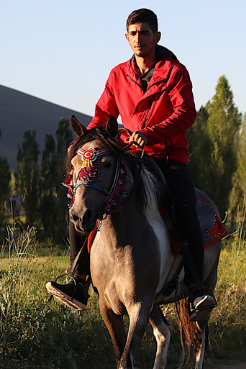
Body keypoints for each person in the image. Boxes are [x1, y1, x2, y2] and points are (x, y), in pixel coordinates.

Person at [46, 8, 215, 315]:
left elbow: (186, 113)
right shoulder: (117, 75)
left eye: (145, 33)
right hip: (129, 156)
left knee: (185, 209)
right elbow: (103, 115)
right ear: (127, 38)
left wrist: (151, 134)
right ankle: (78, 280)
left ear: (156, 36)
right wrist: (85, 142)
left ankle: (196, 288)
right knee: (82, 198)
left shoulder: (175, 72)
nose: (139, 39)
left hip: (168, 156)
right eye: (134, 33)